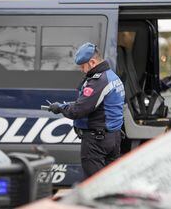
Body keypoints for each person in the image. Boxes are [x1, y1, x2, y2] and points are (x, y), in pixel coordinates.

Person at [47, 42, 125, 178]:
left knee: (95, 184)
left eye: (83, 66)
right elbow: (93, 104)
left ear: (92, 62)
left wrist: (60, 107)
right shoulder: (112, 76)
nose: (82, 70)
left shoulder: (99, 81)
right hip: (113, 138)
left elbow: (78, 110)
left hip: (97, 142)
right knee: (109, 181)